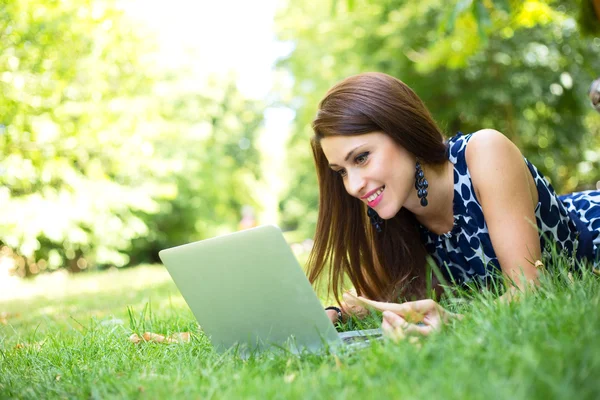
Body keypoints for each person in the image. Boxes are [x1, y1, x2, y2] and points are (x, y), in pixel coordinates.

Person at [308, 72, 600, 338]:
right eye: (342, 171)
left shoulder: (485, 153)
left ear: (403, 131)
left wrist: (455, 321)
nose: (353, 185)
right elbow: (376, 294)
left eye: (361, 158)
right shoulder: (389, 213)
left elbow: (530, 290)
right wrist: (333, 314)